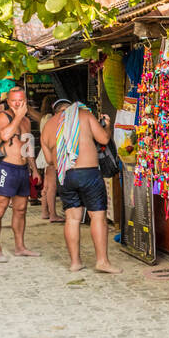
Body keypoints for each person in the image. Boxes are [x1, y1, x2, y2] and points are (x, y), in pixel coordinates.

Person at [41, 98, 118, 273]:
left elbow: (48, 160)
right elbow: (104, 139)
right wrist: (107, 125)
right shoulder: (83, 115)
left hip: (65, 177)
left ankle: (75, 262)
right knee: (98, 217)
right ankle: (102, 262)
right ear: (72, 108)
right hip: (88, 172)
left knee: (72, 219)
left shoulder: (48, 127)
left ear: (56, 111)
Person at [0, 85, 39, 261]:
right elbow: (5, 135)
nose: (17, 103)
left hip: (22, 170)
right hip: (6, 168)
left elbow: (27, 145)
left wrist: (34, 168)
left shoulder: (26, 121)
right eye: (14, 100)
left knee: (21, 209)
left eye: (20, 100)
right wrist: (17, 117)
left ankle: (20, 247)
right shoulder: (3, 117)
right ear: (8, 102)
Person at [38, 98, 61, 222]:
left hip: (44, 151)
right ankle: (53, 214)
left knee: (46, 186)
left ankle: (45, 212)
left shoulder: (43, 118)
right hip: (50, 152)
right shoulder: (50, 118)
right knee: (52, 186)